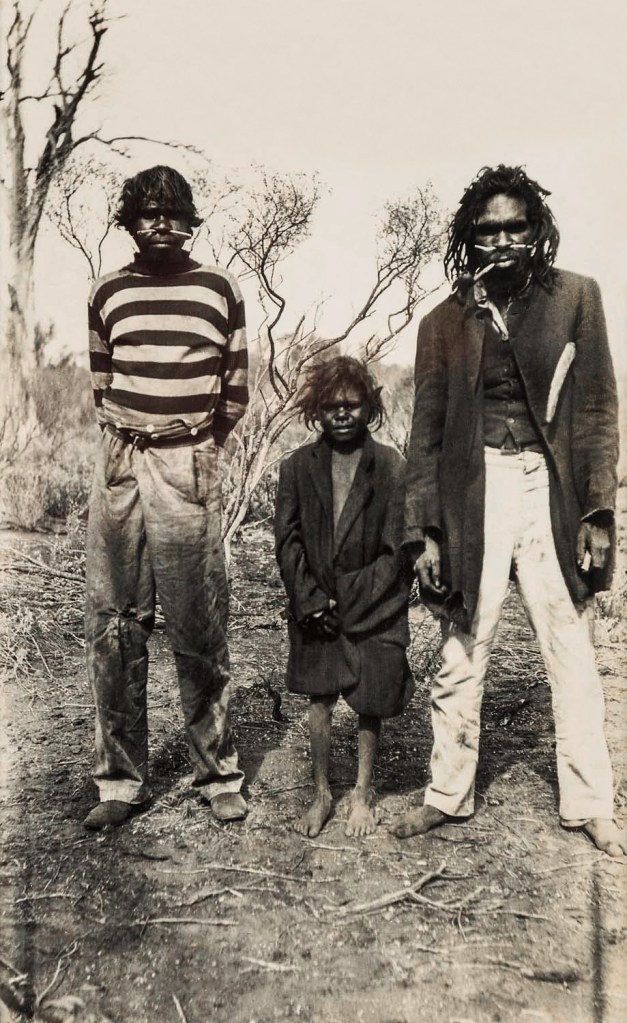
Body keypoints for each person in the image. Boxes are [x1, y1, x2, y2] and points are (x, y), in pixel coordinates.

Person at [393, 165, 626, 856]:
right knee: (462, 647)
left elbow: (594, 410)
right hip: (475, 491)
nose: (502, 240)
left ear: (536, 229)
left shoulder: (574, 299)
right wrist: (425, 530)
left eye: (514, 226)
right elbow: (426, 434)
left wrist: (596, 509)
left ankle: (590, 803)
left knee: (571, 648)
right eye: (487, 229)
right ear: (468, 237)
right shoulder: (443, 322)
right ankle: (446, 794)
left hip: (548, 492)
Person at [84, 166, 248, 829]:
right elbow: (101, 383)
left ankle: (217, 775)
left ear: (189, 221)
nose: (158, 223)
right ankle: (120, 782)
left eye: (170, 211)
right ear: (127, 221)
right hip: (121, 458)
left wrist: (193, 446)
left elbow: (233, 389)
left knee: (199, 624)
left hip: (187, 460)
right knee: (116, 623)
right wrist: (133, 436)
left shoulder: (217, 289)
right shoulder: (108, 291)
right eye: (144, 212)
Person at [275, 357, 414, 838]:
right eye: (332, 405)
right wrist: (310, 599)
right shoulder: (296, 468)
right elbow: (287, 541)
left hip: (375, 605)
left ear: (369, 407)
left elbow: (398, 553)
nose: (342, 414)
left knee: (370, 697)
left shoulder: (393, 467)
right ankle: (321, 792)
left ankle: (363, 791)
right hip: (315, 607)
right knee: (320, 698)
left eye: (353, 405)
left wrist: (350, 599)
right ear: (317, 409)